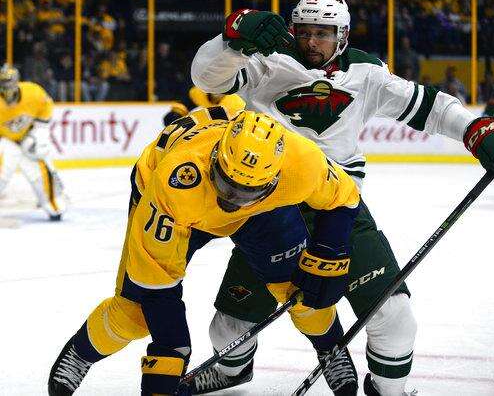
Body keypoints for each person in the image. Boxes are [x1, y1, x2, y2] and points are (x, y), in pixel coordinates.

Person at [191, 0, 494, 396]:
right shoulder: (266, 59)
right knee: (227, 329)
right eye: (304, 32)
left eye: (323, 34)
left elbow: (429, 106)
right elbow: (207, 79)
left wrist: (475, 130)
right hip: (267, 209)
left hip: (339, 208)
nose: (312, 41)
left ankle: (388, 390)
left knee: (395, 317)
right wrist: (231, 40)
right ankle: (233, 370)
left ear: (342, 36)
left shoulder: (366, 72)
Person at [47, 108, 362, 396]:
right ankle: (81, 353)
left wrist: (329, 251)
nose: (233, 201)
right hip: (184, 206)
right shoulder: (174, 185)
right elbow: (157, 286)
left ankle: (331, 348)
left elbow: (344, 197)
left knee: (300, 292)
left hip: (258, 212)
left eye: (246, 191)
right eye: (228, 185)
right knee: (134, 312)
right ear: (214, 159)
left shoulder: (302, 161)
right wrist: (170, 350)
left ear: (276, 177)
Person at [0, 63, 66, 220]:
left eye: (9, 83)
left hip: (29, 139)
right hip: (7, 142)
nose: (6, 88)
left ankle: (54, 196)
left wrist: (37, 136)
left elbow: (45, 114)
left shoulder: (33, 92)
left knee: (55, 209)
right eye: (3, 84)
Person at [162, 86, 245, 127]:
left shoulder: (235, 103)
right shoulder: (200, 93)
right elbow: (185, 103)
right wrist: (176, 113)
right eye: (216, 85)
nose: (217, 91)